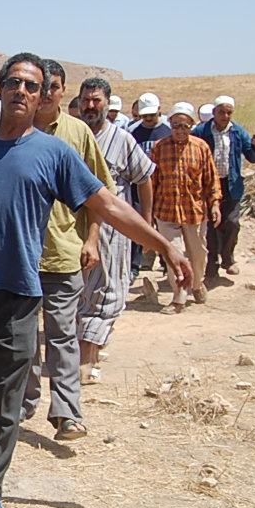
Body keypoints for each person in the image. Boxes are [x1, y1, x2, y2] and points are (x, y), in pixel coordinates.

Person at [0, 52, 192, 508]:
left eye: (31, 86)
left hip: (17, 293)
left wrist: (164, 246)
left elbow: (108, 205)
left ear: (43, 96)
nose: (22, 91)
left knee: (7, 396)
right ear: (0, 90)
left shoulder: (56, 154)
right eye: (14, 82)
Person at [21, 59, 112, 442]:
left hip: (64, 253)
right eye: (39, 87)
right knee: (22, 340)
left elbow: (99, 195)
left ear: (62, 92)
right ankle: (23, 403)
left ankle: (67, 413)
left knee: (62, 336)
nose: (44, 94)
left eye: (53, 87)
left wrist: (92, 239)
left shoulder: (77, 134)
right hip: (19, 257)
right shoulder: (14, 131)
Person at [75, 78, 155, 383]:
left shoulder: (122, 140)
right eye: (86, 100)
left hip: (113, 231)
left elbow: (144, 179)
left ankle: (88, 358)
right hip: (74, 228)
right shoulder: (71, 135)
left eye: (96, 100)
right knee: (77, 293)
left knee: (108, 291)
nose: (90, 106)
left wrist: (145, 223)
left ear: (107, 104)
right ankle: (84, 356)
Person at [147, 102, 221, 314]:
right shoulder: (160, 148)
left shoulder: (201, 148)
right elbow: (151, 182)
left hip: (194, 211)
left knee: (198, 255)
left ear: (191, 126)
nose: (180, 130)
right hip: (166, 211)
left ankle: (196, 284)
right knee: (173, 255)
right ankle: (178, 298)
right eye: (176, 126)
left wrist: (215, 204)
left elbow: (211, 179)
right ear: (170, 124)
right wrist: (149, 213)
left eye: (185, 126)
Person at [193, 94, 255, 280]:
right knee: (210, 226)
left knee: (231, 222)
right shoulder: (201, 131)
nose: (225, 116)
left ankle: (227, 257)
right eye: (221, 112)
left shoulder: (238, 132)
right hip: (208, 185)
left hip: (231, 184)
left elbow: (252, 157)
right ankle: (212, 264)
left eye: (229, 113)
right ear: (214, 112)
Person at [128, 94, 172, 278]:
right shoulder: (132, 132)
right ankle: (134, 265)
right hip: (138, 185)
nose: (147, 118)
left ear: (159, 110)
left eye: (151, 115)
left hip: (163, 186)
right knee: (138, 224)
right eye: (144, 115)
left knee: (164, 226)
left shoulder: (168, 131)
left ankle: (166, 263)